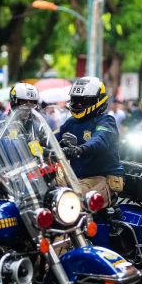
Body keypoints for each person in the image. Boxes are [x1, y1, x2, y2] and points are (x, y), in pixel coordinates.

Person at [56, 77, 124, 207]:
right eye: (75, 100)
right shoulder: (71, 122)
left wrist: (79, 149)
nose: (78, 105)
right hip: (76, 178)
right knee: (47, 189)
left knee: (73, 202)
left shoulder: (106, 121)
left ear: (98, 101)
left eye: (83, 101)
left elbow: (100, 140)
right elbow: (53, 137)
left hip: (101, 178)